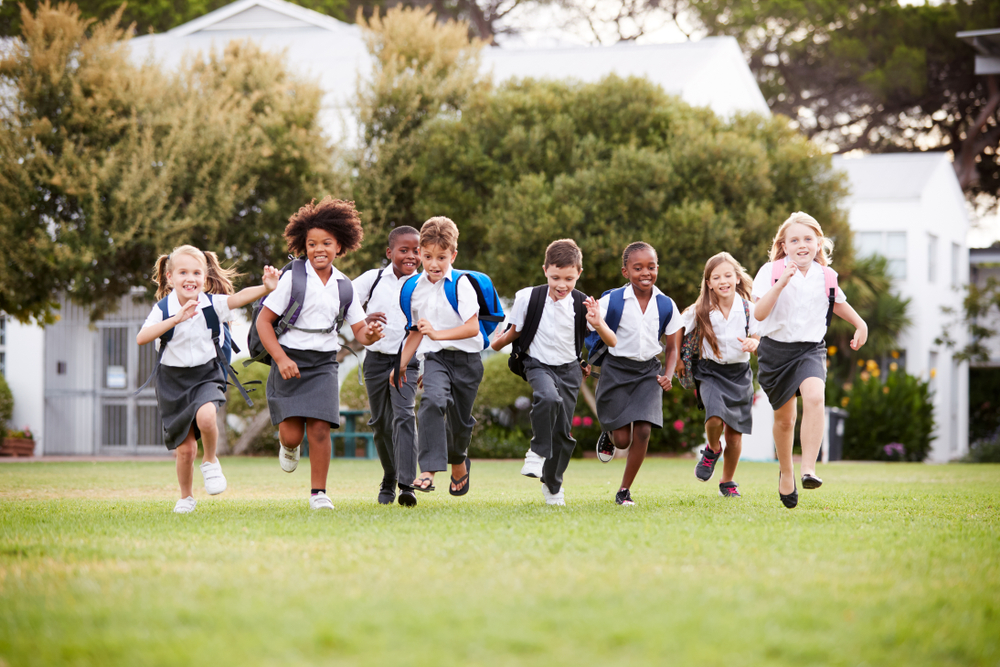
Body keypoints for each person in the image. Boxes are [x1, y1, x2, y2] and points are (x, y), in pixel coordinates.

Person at [256, 197, 385, 511]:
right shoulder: (293, 278)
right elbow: (263, 321)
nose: (319, 249)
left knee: (320, 427)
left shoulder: (345, 286)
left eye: (326, 243)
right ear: (304, 246)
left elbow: (359, 332)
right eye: (312, 244)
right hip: (289, 359)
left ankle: (319, 493)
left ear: (339, 246)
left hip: (324, 363)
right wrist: (282, 359)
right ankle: (288, 447)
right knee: (291, 434)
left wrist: (372, 334)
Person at [137, 245, 279, 514]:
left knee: (206, 418)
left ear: (205, 277)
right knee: (186, 449)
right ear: (170, 277)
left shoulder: (212, 304)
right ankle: (186, 497)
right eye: (182, 272)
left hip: (206, 373)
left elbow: (238, 299)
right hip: (172, 381)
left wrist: (266, 288)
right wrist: (176, 319)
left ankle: (211, 460)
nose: (190, 278)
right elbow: (142, 337)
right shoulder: (163, 308)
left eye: (196, 272)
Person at [752, 211, 867, 509]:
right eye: (795, 240)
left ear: (818, 243)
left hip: (810, 350)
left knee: (815, 397)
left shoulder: (826, 276)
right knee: (785, 420)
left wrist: (861, 325)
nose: (802, 245)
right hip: (775, 352)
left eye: (808, 239)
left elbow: (838, 302)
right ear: (784, 245)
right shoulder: (771, 271)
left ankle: (809, 469)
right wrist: (781, 284)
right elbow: (759, 313)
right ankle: (786, 472)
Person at [491, 239, 616, 505]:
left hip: (570, 369)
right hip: (536, 364)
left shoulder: (585, 304)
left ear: (578, 274)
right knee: (548, 398)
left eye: (569, 278)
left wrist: (597, 321)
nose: (562, 284)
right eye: (555, 276)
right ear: (545, 269)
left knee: (563, 434)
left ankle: (553, 484)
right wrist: (496, 342)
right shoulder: (528, 297)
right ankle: (536, 452)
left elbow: (612, 340)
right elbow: (515, 332)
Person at [391, 217, 483, 496]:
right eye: (428, 256)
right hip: (435, 359)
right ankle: (428, 471)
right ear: (419, 253)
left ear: (452, 255)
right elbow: (417, 332)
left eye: (441, 257)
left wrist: (437, 333)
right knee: (432, 401)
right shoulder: (414, 288)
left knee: (460, 423)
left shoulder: (461, 284)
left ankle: (457, 461)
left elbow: (472, 327)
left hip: (467, 360)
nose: (433, 264)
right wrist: (401, 364)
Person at [593, 242, 683, 506]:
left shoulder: (666, 304)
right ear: (625, 272)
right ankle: (609, 434)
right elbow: (590, 327)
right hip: (617, 370)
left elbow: (672, 347)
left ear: (657, 269)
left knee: (643, 430)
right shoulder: (612, 301)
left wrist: (668, 374)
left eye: (651, 267)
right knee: (622, 441)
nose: (646, 272)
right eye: (638, 267)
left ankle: (624, 490)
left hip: (647, 373)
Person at [679, 252, 759, 498]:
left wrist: (753, 343)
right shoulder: (699, 310)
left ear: (737, 278)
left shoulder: (749, 309)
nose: (723, 280)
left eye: (728, 275)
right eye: (716, 277)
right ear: (709, 282)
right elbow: (676, 331)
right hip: (710, 371)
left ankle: (728, 481)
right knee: (714, 418)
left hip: (739, 374)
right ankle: (713, 449)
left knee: (734, 436)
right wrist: (678, 361)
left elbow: (758, 335)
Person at [352, 225, 422, 507]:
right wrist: (364, 318)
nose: (411, 256)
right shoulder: (373, 278)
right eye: (403, 250)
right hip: (375, 360)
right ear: (389, 252)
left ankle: (407, 485)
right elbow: (345, 303)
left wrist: (421, 364)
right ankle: (389, 477)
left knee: (404, 417)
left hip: (407, 361)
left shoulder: (424, 284)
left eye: (416, 251)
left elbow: (426, 328)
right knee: (381, 425)